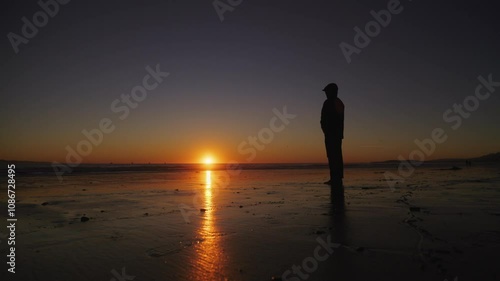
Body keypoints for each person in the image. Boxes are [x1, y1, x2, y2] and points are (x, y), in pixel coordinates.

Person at [321, 83, 344, 185]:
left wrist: (327, 130)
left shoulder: (332, 102)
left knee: (334, 156)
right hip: (333, 134)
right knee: (334, 155)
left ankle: (336, 178)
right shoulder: (335, 102)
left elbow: (335, 119)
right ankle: (336, 177)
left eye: (327, 91)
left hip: (332, 134)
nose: (326, 93)